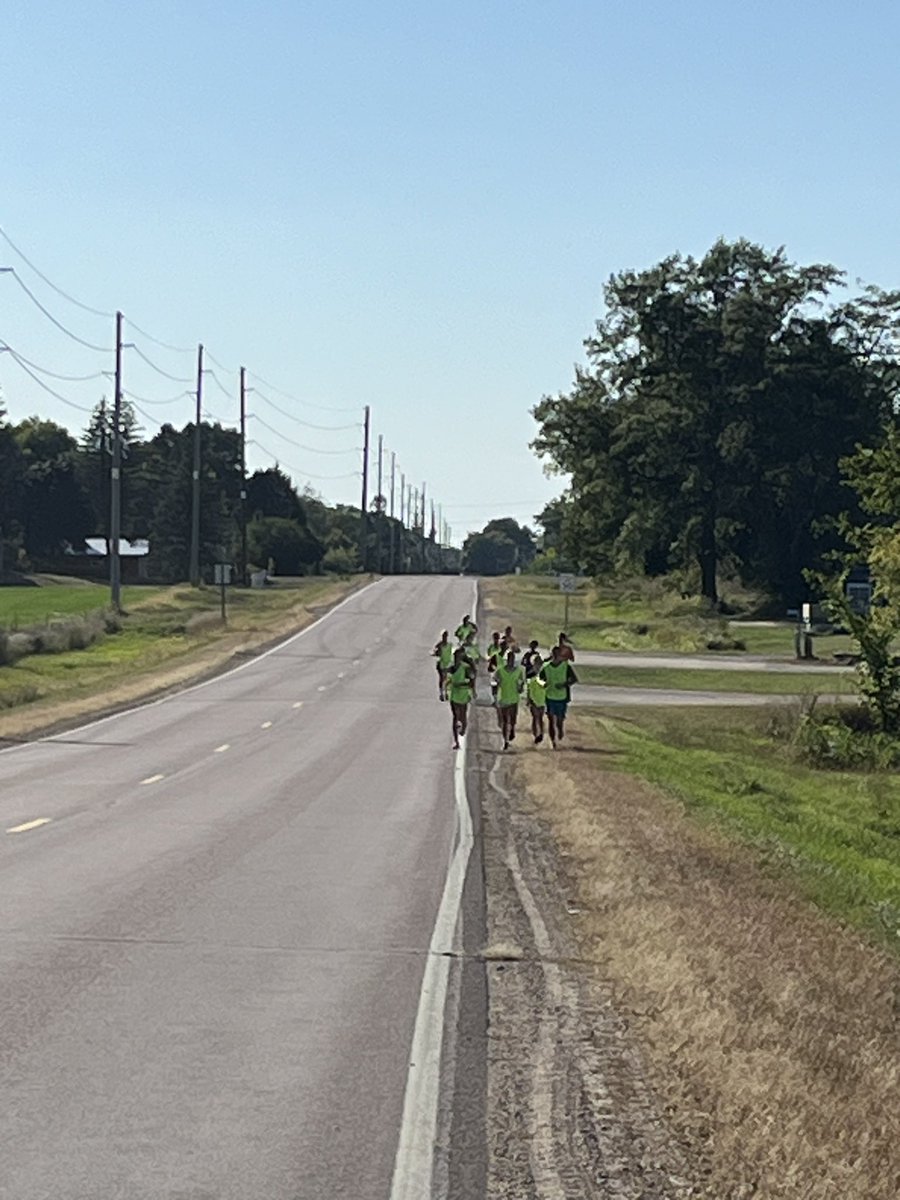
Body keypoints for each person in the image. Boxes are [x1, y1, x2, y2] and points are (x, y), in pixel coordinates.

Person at [539, 644, 578, 747]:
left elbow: (574, 679)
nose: (556, 656)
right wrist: (543, 684)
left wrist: (564, 684)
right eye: (554, 654)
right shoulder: (546, 667)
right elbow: (539, 679)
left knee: (559, 720)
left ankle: (560, 730)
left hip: (562, 697)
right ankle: (553, 741)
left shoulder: (566, 666)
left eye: (557, 654)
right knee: (551, 719)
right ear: (552, 655)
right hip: (550, 696)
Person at [495, 647, 525, 750]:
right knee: (504, 721)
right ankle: (505, 741)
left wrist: (520, 688)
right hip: (503, 699)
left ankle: (512, 729)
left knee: (512, 720)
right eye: (509, 658)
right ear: (507, 659)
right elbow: (495, 682)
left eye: (512, 658)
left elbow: (521, 685)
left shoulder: (518, 671)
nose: (511, 660)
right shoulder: (500, 671)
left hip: (514, 699)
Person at [447, 646, 476, 750]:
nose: (456, 658)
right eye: (455, 656)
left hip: (463, 695)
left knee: (463, 716)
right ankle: (456, 741)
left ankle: (463, 728)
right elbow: (446, 680)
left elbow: (472, 680)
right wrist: (444, 691)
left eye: (458, 656)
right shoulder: (451, 667)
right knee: (455, 717)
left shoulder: (465, 668)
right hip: (454, 695)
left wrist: (473, 691)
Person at [526, 658, 546, 744]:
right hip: (533, 698)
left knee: (540, 717)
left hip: (541, 698)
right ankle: (536, 734)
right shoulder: (530, 674)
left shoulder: (543, 674)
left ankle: (540, 733)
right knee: (535, 717)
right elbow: (528, 687)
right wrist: (528, 698)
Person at [432, 630, 454, 701]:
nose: (444, 637)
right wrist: (437, 653)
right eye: (443, 636)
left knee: (447, 679)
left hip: (448, 664)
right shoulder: (439, 645)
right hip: (441, 665)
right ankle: (441, 693)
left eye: (445, 635)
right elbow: (435, 652)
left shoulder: (450, 645)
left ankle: (446, 692)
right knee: (442, 679)